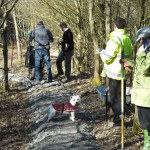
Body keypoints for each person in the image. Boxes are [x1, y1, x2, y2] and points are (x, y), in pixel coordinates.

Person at [97, 17, 133, 127]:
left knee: (115, 98)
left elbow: (108, 57)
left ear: (115, 26)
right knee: (121, 97)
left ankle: (117, 122)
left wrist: (101, 52)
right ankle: (121, 117)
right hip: (124, 72)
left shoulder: (114, 39)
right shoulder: (127, 38)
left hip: (115, 73)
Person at [122, 27, 150, 149]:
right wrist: (130, 64)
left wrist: (141, 53)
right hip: (143, 94)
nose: (140, 43)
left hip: (147, 94)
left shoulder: (146, 52)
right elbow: (141, 67)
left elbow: (144, 69)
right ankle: (147, 145)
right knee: (146, 125)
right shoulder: (146, 51)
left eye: (141, 40)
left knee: (148, 125)